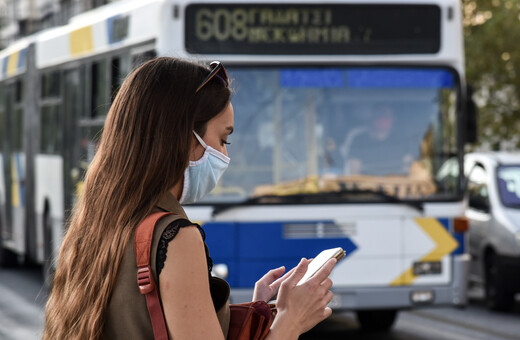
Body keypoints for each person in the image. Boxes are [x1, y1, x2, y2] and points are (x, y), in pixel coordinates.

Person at [42, 57, 337, 340]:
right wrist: (292, 320)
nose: (225, 155)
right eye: (223, 139)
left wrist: (258, 307)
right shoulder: (175, 238)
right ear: (183, 137)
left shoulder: (96, 222)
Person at [342, 104, 414, 176]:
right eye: (380, 115)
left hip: (395, 183)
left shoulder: (402, 140)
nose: (383, 118)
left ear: (393, 119)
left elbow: (407, 167)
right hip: (366, 184)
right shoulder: (359, 139)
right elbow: (354, 170)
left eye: (387, 115)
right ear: (372, 117)